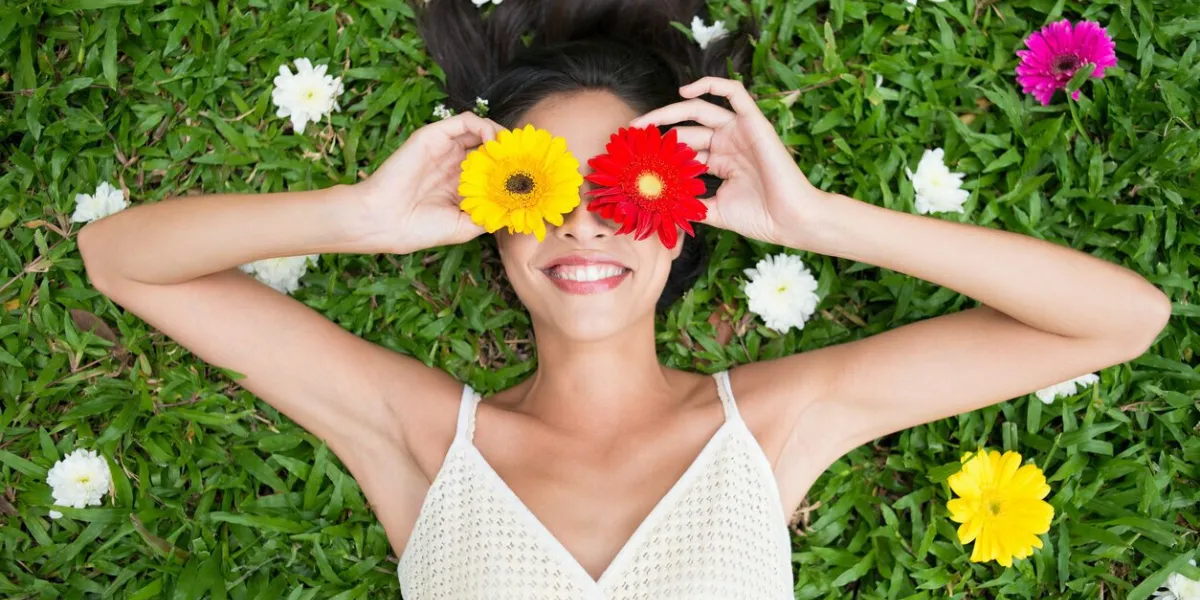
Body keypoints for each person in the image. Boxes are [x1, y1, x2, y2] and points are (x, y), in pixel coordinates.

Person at [77, 0, 1170, 598]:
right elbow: (121, 260)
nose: (585, 221)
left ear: (682, 214)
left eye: (622, 186)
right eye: (541, 185)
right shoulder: (420, 440)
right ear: (494, 219)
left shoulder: (772, 429)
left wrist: (816, 221)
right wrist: (357, 218)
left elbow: (1122, 320)